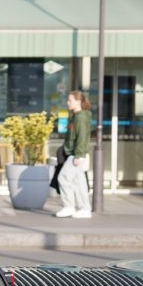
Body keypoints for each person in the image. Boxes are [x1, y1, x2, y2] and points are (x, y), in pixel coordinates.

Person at [55, 90, 92, 219]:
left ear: (78, 102)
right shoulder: (77, 116)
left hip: (76, 154)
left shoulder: (80, 117)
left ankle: (69, 207)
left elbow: (81, 137)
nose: (67, 102)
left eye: (70, 100)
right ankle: (85, 209)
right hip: (77, 154)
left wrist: (78, 155)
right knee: (78, 182)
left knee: (63, 178)